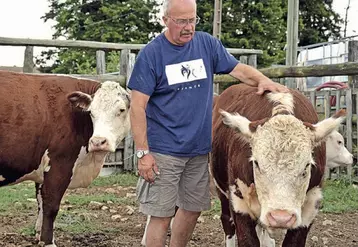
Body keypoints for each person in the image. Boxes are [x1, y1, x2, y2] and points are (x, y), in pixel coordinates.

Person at [127, 0, 289, 246]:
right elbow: (137, 107)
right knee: (160, 214)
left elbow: (237, 69)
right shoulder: (152, 55)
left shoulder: (206, 44)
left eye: (192, 20)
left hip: (199, 150)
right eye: (181, 21)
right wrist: (143, 152)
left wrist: (262, 80)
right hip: (163, 152)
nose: (188, 27)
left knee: (192, 209)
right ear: (165, 20)